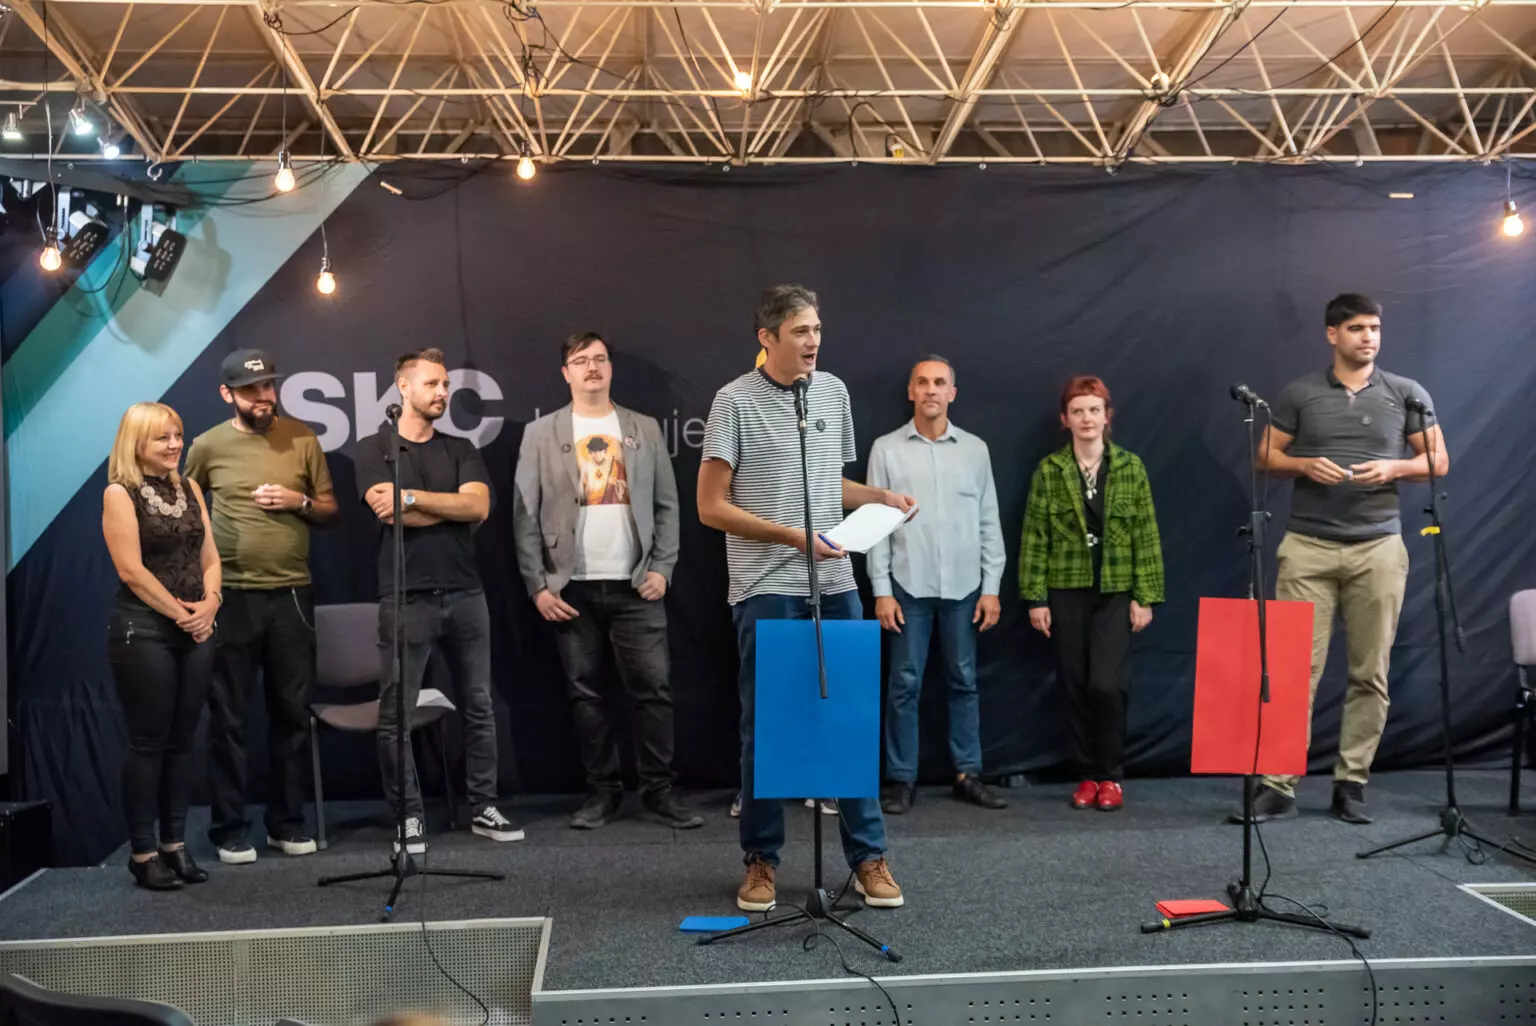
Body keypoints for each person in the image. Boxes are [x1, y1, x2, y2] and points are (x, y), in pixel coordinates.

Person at [698, 284, 914, 912]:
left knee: (849, 719)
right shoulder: (733, 400)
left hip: (836, 584)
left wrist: (880, 498)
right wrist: (793, 537)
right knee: (768, 727)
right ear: (766, 338)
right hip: (767, 585)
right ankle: (762, 860)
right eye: (800, 330)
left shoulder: (834, 392)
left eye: (817, 328)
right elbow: (710, 507)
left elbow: (828, 484)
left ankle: (868, 857)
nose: (813, 340)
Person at [1235, 293, 1447, 826]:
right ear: (1332, 334)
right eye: (1356, 328)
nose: (1368, 337)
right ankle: (1278, 785)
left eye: (1374, 327)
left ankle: (1351, 784)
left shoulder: (1407, 393)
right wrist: (1305, 465)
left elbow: (1438, 459)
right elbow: (1264, 455)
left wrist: (1394, 470)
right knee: (1291, 671)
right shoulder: (1301, 393)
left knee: (1370, 672)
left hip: (1378, 548)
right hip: (1308, 547)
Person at [513, 332, 701, 830]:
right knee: (586, 696)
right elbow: (524, 516)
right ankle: (602, 793)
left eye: (599, 359)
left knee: (654, 693)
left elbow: (667, 505)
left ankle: (660, 791)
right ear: (566, 373)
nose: (592, 367)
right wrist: (538, 586)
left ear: (611, 369)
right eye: (581, 360)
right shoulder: (540, 434)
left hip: (636, 585)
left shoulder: (644, 428)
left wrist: (662, 568)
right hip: (570, 588)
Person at [355, 347, 521, 853]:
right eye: (432, 384)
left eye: (446, 384)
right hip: (406, 598)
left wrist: (410, 497)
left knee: (479, 706)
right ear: (403, 388)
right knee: (396, 715)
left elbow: (478, 506)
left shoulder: (461, 447)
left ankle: (484, 805)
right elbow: (387, 513)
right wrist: (443, 507)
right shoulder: (374, 449)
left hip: (467, 593)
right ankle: (408, 817)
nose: (443, 392)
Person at [185, 349, 338, 865]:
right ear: (227, 394)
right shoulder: (207, 446)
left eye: (269, 386)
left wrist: (299, 503)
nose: (263, 396)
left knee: (291, 714)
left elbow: (330, 509)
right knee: (228, 717)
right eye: (251, 390)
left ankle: (286, 822)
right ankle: (229, 828)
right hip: (230, 596)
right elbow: (187, 513)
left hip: (293, 593)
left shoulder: (302, 438)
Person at [869, 356, 1007, 814]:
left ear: (952, 393)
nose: (931, 389)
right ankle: (901, 779)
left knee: (964, 681)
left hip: (965, 588)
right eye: (923, 382)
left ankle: (968, 773)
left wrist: (992, 586)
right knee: (903, 685)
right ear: (911, 391)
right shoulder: (886, 449)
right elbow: (876, 524)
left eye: (940, 382)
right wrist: (881, 589)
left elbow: (989, 520)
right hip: (908, 585)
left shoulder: (975, 450)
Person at [1020, 376, 1163, 812]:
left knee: (1106, 685)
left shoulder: (1130, 467)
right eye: (1078, 411)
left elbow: (1146, 533)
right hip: (1066, 589)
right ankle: (1086, 774)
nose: (1087, 418)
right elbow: (1034, 536)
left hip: (1116, 589)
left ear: (1107, 416)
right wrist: (1035, 597)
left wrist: (1146, 595)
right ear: (1065, 419)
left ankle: (1110, 774)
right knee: (1074, 683)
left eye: (1094, 410)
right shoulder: (1050, 470)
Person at [101, 402, 221, 890]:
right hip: (145, 630)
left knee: (182, 741)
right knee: (148, 742)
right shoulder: (119, 493)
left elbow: (210, 556)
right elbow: (130, 570)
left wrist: (211, 603)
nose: (175, 445)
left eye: (177, 435)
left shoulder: (189, 487)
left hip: (196, 628)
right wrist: (184, 614)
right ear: (136, 444)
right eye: (163, 438)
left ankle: (174, 845)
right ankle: (143, 852)